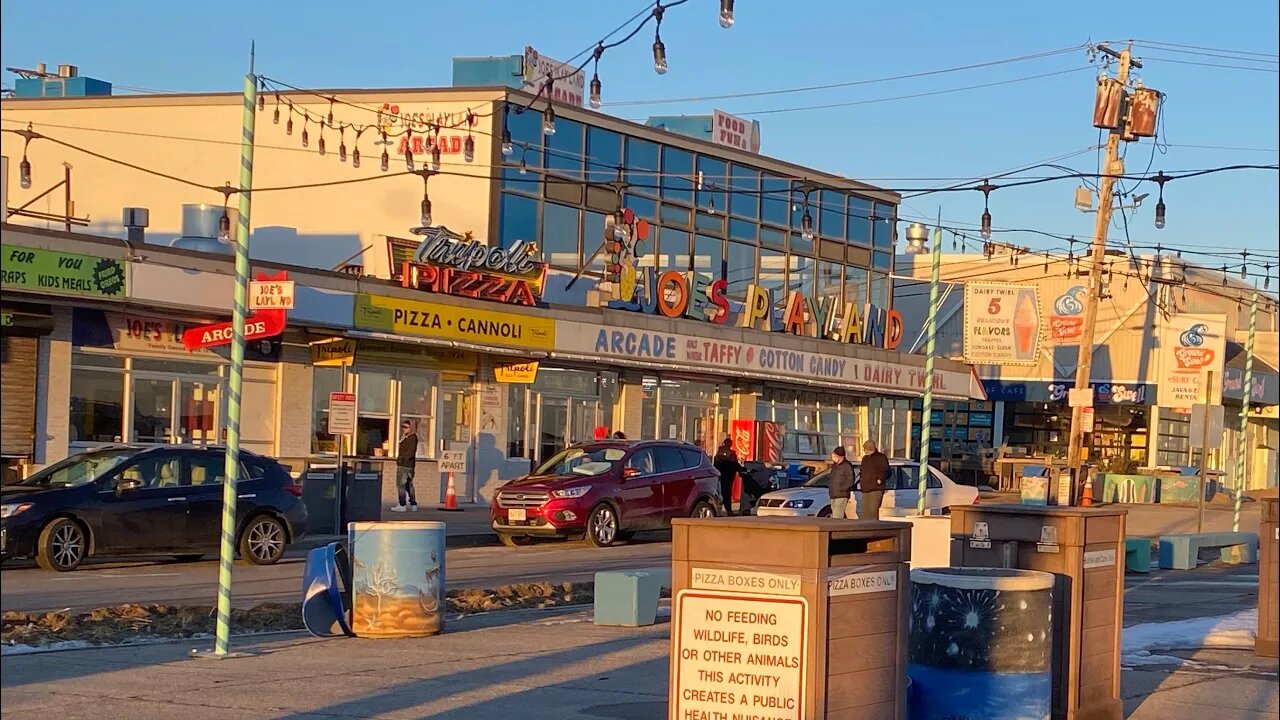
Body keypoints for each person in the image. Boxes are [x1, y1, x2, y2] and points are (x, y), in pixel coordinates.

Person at [391, 420, 419, 512]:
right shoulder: (405, 437)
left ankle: (402, 504)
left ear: (411, 428)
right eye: (403, 427)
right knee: (408, 485)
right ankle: (413, 504)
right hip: (409, 465)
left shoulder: (412, 438)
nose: (404, 429)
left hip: (405, 465)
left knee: (401, 485)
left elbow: (411, 452)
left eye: (406, 427)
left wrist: (401, 459)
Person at [859, 440, 890, 520]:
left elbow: (887, 471)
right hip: (865, 488)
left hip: (876, 488)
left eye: (865, 449)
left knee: (873, 510)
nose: (864, 450)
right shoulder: (865, 459)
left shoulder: (881, 457)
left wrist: (880, 479)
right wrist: (861, 482)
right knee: (865, 512)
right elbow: (862, 472)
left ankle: (874, 529)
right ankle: (866, 528)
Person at [712, 437, 744, 515]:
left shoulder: (719, 453)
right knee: (726, 493)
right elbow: (735, 464)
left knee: (720, 492)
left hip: (719, 477)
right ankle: (728, 510)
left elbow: (715, 464)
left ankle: (720, 510)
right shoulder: (731, 454)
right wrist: (741, 470)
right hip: (727, 477)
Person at [827, 446, 855, 519]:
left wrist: (842, 488)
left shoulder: (847, 466)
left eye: (834, 455)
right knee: (834, 515)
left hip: (841, 495)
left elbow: (850, 480)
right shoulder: (834, 466)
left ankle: (836, 530)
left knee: (837, 516)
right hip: (833, 494)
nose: (833, 457)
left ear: (839, 456)